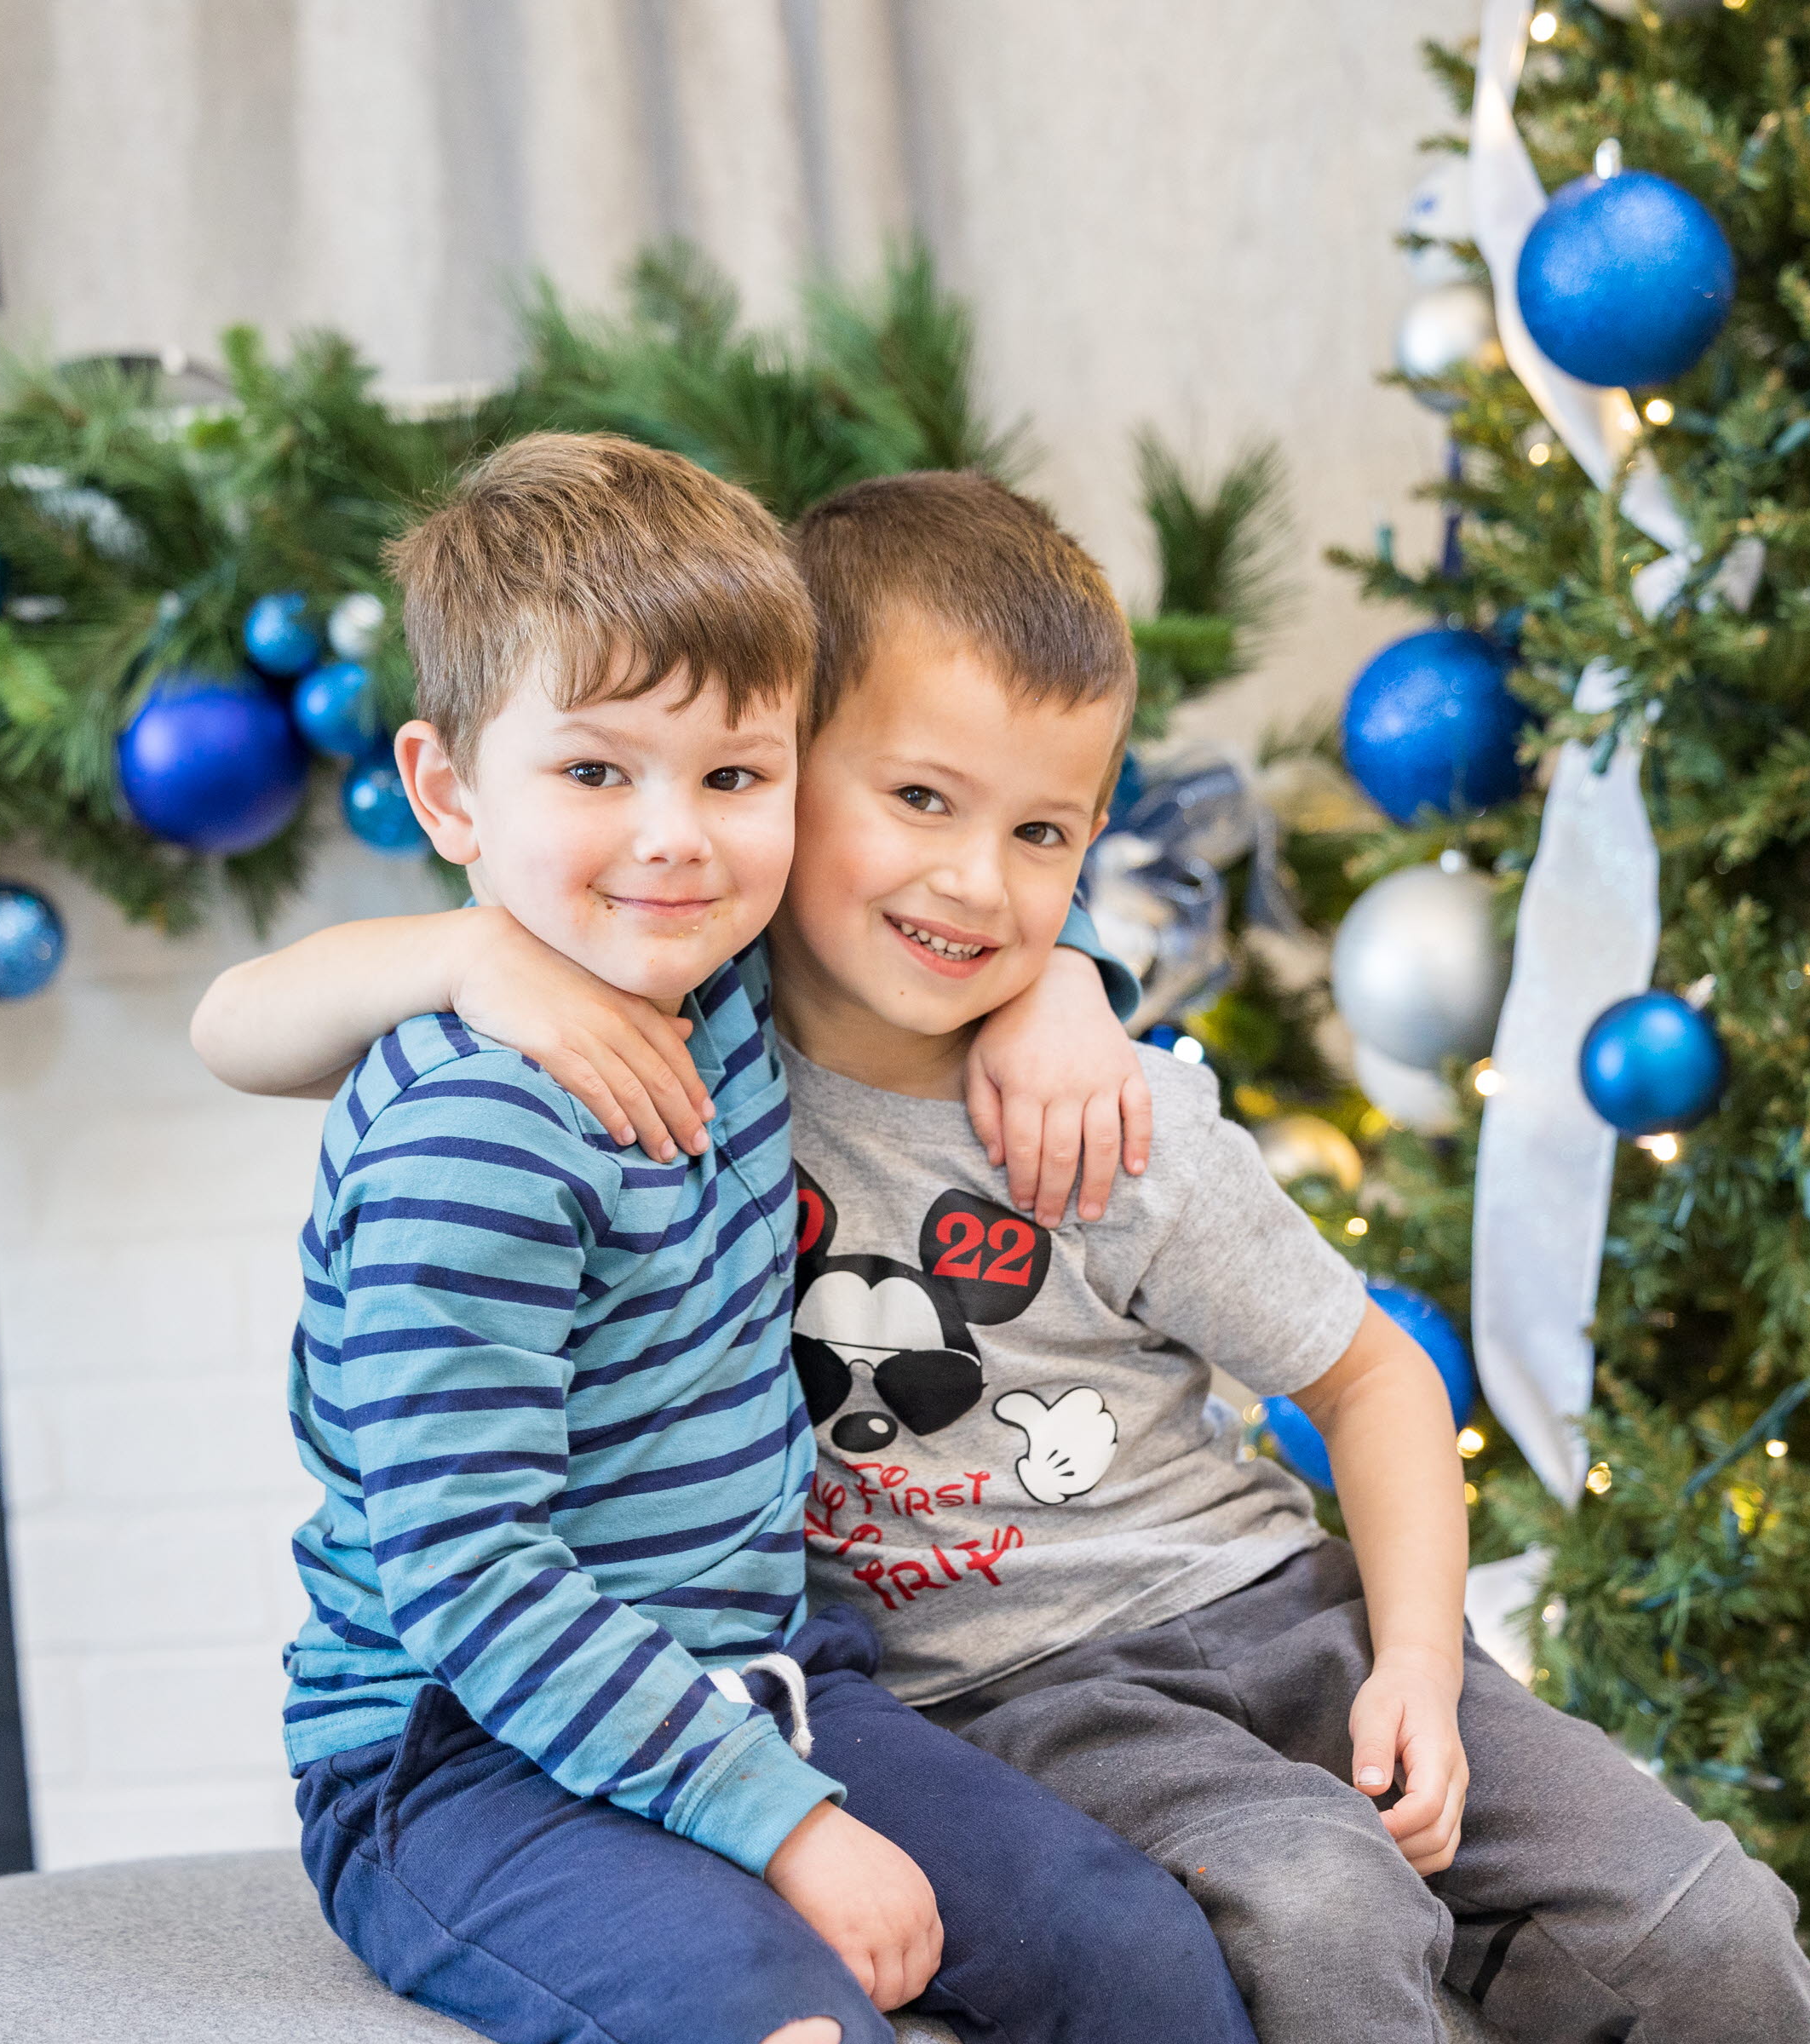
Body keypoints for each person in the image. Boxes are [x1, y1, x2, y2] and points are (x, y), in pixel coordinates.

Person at [207, 462, 1810, 2043]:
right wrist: (470, 951)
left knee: (1708, 1920)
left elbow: (1364, 1369)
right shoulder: (659, 1017)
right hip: (979, 1690)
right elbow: (244, 1026)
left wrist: (1421, 1656)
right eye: (915, 798)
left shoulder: (1066, 1096)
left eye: (1044, 836)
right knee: (1319, 1907)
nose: (975, 882)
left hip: (1252, 1598)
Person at [207, 433, 1255, 2044]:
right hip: (460, 1756)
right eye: (595, 772)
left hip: (769, 1675)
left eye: (733, 775)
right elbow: (467, 1577)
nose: (675, 837)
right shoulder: (476, 1134)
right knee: (785, 2020)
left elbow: (962, 893)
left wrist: (1063, 985)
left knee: (1128, 1947)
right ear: (446, 792)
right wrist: (782, 1826)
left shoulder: (728, 990)